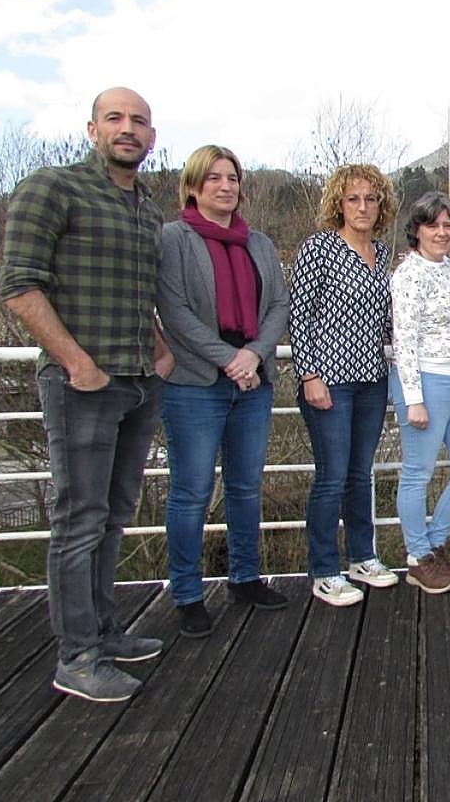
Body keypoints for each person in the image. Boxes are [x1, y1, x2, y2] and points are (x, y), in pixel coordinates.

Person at [0, 87, 172, 702]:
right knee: (79, 519)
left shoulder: (148, 208)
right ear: (92, 129)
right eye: (115, 118)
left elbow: (137, 291)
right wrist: (77, 363)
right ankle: (76, 657)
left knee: (115, 513)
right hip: (82, 385)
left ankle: (104, 631)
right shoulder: (53, 187)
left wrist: (160, 349)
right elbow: (19, 285)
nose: (128, 128)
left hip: (138, 381)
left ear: (151, 137)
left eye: (139, 121)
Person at [157, 145, 290, 638]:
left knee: (245, 486)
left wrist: (253, 355)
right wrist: (229, 359)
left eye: (232, 178)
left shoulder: (259, 243)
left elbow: (278, 304)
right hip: (196, 384)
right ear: (193, 186)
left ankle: (245, 577)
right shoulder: (173, 239)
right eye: (213, 177)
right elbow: (173, 311)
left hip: (253, 383)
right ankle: (187, 594)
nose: (225, 186)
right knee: (192, 492)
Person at [290, 164, 399, 606]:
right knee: (331, 477)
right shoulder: (318, 248)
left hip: (372, 379)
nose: (363, 207)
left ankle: (361, 557)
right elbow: (299, 315)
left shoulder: (382, 253)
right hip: (329, 381)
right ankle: (323, 571)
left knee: (359, 474)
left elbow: (385, 320)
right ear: (339, 203)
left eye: (371, 199)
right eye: (353, 199)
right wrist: (309, 375)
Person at [388, 192, 450, 594]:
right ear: (417, 230)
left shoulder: (445, 267)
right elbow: (404, 339)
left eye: (448, 225)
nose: (442, 232)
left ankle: (432, 543)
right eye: (433, 225)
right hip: (426, 380)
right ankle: (418, 557)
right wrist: (414, 399)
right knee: (418, 473)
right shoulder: (408, 275)